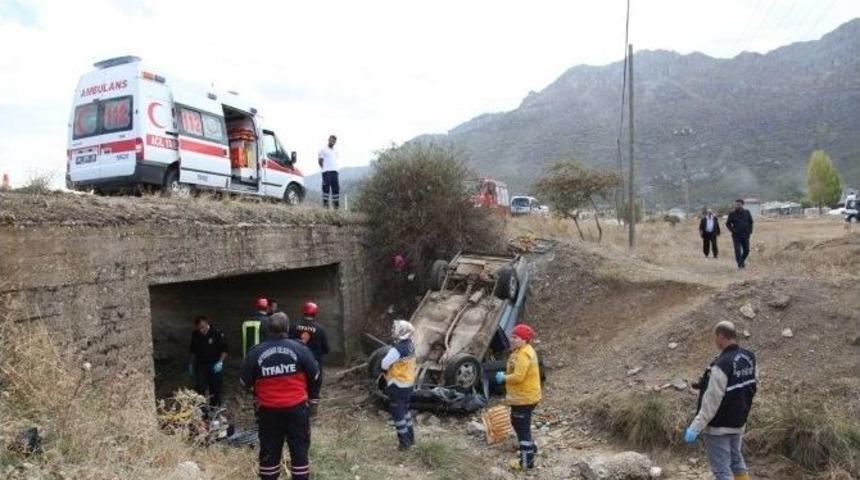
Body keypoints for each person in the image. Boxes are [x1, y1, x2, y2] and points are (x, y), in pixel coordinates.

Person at [241, 312, 321, 480]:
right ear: (287, 328)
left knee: (269, 454)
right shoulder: (301, 349)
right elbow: (315, 376)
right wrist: (313, 402)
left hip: (268, 413)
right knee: (299, 453)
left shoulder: (255, 353)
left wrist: (257, 394)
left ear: (267, 329)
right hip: (297, 411)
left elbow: (244, 383)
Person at [684, 321, 757, 480]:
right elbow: (749, 387)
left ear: (721, 336)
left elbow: (711, 402)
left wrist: (695, 427)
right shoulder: (749, 357)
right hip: (738, 422)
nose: (715, 341)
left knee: (722, 471)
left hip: (718, 428)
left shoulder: (722, 364)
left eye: (715, 337)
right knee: (736, 461)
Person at [494, 324, 542, 470]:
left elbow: (519, 376)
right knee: (517, 422)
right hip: (522, 397)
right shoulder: (519, 351)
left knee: (522, 426)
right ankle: (531, 448)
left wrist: (504, 378)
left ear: (524, 339)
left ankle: (526, 462)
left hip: (525, 398)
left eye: (516, 337)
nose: (512, 339)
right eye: (512, 336)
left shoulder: (524, 354)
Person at [380, 320, 417, 450]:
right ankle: (411, 439)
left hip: (397, 385)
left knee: (398, 415)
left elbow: (384, 364)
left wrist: (385, 370)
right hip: (408, 384)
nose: (393, 331)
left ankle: (404, 444)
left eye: (395, 329)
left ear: (401, 332)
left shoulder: (397, 349)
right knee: (406, 412)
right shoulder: (410, 345)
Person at [188, 315, 228, 407]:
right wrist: (190, 363)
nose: (201, 330)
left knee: (215, 389)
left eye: (203, 327)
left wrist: (220, 362)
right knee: (200, 387)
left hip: (215, 365)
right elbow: (193, 350)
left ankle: (214, 409)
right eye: (199, 328)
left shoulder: (217, 333)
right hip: (200, 365)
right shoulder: (195, 334)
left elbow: (225, 349)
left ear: (207, 323)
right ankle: (201, 410)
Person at [725, 199, 754, 269]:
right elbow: (728, 223)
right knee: (737, 250)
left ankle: (741, 261)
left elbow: (751, 222)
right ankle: (740, 265)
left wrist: (750, 231)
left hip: (745, 235)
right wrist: (733, 230)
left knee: (746, 250)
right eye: (736, 204)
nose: (737, 206)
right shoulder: (732, 214)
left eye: (739, 204)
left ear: (742, 205)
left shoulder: (747, 212)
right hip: (736, 235)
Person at [318, 134, 340, 209]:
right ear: (328, 140)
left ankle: (336, 206)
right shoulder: (323, 149)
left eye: (334, 141)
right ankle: (325, 205)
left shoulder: (335, 151)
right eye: (331, 140)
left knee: (336, 189)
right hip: (326, 172)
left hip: (335, 172)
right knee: (326, 188)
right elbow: (320, 161)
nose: (332, 141)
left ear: (335, 142)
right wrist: (324, 169)